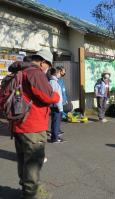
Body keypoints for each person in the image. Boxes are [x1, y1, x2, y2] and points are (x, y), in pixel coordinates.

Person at [9, 49, 60, 198]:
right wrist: (56, 95)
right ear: (43, 62)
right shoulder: (35, 73)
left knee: (23, 160)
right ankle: (31, 195)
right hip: (32, 126)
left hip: (18, 124)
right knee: (33, 162)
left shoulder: (19, 71)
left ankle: (26, 190)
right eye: (48, 66)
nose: (47, 69)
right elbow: (48, 96)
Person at [49, 67, 65, 143]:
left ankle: (54, 136)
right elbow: (57, 97)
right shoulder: (54, 83)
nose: (60, 74)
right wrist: (60, 108)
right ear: (56, 73)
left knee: (54, 121)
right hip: (56, 106)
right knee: (56, 122)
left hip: (53, 105)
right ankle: (55, 138)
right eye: (59, 72)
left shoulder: (51, 81)